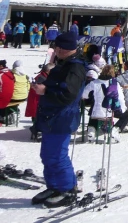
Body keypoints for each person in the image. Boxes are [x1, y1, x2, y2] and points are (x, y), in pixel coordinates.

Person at [31, 32, 87, 208]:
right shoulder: (63, 64)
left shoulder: (75, 67)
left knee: (57, 155)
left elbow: (68, 94)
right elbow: (59, 86)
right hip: (52, 115)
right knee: (47, 155)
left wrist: (45, 91)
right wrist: (43, 85)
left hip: (62, 117)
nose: (56, 50)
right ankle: (54, 186)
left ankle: (67, 190)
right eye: (56, 47)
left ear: (66, 49)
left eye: (58, 47)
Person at [82, 64, 128, 143]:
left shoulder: (94, 83)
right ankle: (116, 130)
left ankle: (91, 129)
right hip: (110, 111)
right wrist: (122, 109)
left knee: (95, 109)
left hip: (96, 112)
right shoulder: (115, 84)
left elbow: (84, 95)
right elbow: (121, 99)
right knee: (127, 115)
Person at [27, 63, 53, 141]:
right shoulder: (42, 79)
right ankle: (36, 129)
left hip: (39, 102)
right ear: (48, 71)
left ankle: (37, 129)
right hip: (38, 103)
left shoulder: (43, 77)